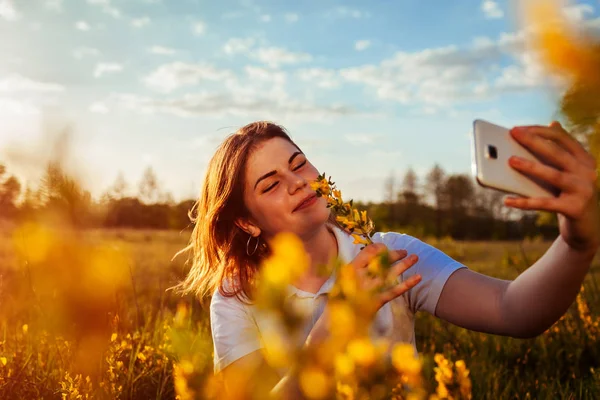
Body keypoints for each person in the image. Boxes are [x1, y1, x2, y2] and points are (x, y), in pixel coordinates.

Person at [175, 120, 600, 396]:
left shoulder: (389, 254)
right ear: (247, 223)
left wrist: (577, 244)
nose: (298, 183)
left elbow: (516, 312)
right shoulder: (238, 297)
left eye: (299, 164)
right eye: (270, 185)